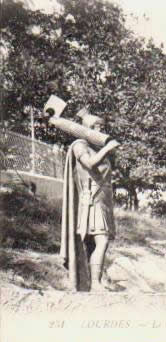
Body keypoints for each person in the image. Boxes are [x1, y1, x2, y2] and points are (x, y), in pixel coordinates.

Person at [60, 113, 120, 292]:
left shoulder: (94, 146)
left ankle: (92, 282)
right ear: (88, 127)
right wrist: (107, 149)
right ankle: (95, 284)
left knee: (95, 243)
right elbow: (90, 164)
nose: (100, 129)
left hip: (102, 200)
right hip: (91, 199)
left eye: (101, 126)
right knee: (101, 241)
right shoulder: (80, 145)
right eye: (97, 126)